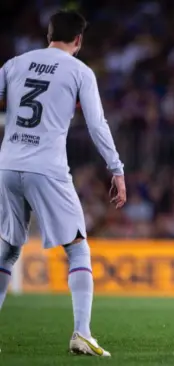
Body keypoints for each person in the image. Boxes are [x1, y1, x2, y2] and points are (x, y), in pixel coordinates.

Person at [0, 10, 126, 357]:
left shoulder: (15, 63)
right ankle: (82, 333)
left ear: (48, 35)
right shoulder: (79, 71)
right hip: (47, 167)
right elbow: (97, 125)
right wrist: (116, 168)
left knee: (9, 249)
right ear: (79, 41)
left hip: (8, 165)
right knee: (77, 248)